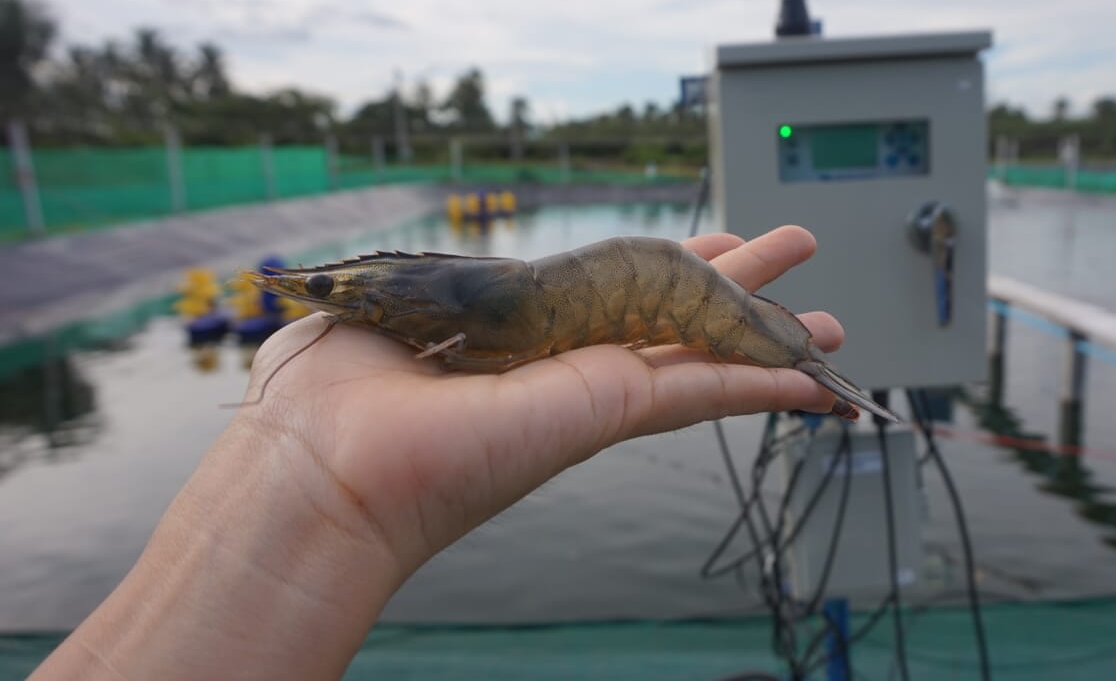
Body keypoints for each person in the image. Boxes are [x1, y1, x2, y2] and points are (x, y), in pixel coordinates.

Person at [32, 226, 846, 680]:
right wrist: (301, 462)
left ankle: (791, 351)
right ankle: (798, 353)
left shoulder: (453, 304)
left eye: (333, 295)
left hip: (649, 286)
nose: (329, 302)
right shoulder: (419, 297)